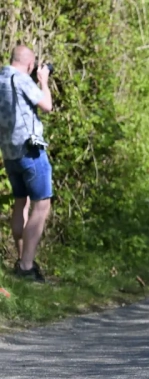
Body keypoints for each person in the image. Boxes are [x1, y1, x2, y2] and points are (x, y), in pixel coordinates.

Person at [0, 45, 53, 282]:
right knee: (42, 204)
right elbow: (47, 105)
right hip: (30, 151)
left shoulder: (1, 77)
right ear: (30, 65)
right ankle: (26, 267)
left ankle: (22, 258)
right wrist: (43, 80)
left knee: (21, 201)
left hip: (9, 153)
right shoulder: (22, 79)